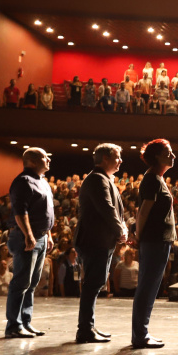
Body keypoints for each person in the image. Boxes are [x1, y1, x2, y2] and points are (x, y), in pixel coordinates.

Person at [75, 143, 127, 344]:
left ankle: (88, 327)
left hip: (99, 239)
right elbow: (106, 208)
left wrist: (121, 228)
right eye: (117, 157)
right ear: (105, 158)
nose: (120, 161)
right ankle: (85, 329)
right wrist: (120, 230)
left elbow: (114, 210)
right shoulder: (97, 179)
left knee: (95, 283)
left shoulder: (104, 179)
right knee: (92, 284)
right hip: (94, 239)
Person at [5, 147, 54, 338]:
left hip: (40, 236)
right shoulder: (24, 181)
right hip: (26, 236)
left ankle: (25, 321)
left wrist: (48, 234)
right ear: (32, 161)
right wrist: (29, 234)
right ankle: (14, 326)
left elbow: (45, 213)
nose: (48, 160)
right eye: (45, 157)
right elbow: (20, 212)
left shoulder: (42, 182)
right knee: (21, 282)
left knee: (32, 283)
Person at [132, 139, 176, 348]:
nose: (173, 155)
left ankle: (142, 332)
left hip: (158, 240)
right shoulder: (152, 180)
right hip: (154, 240)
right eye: (168, 152)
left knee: (150, 287)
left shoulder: (157, 179)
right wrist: (139, 236)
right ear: (157, 156)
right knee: (147, 287)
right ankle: (140, 334)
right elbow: (143, 212)